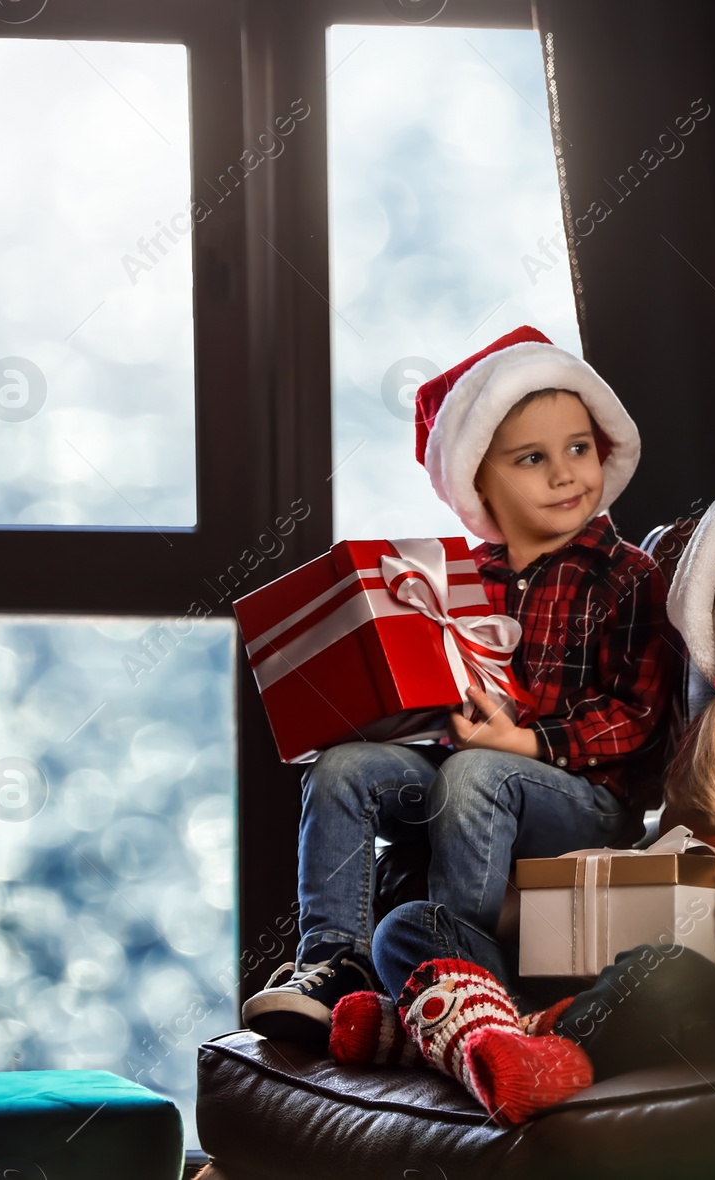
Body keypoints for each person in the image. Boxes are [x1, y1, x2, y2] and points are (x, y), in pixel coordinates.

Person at [327, 465, 715, 1127]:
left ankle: (469, 1030)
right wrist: (542, 909)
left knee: (665, 977)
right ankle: (494, 1036)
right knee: (410, 927)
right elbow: (660, 881)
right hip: (625, 972)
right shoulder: (714, 740)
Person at [242, 325, 678, 1049]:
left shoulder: (626, 574)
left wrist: (529, 740)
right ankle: (336, 962)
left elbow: (640, 718)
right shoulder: (454, 581)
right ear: (480, 481)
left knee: (477, 772)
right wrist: (387, 705)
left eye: (579, 448)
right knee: (345, 769)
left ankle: (449, 976)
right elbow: (443, 710)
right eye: (532, 459)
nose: (567, 473)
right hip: (461, 778)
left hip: (583, 799)